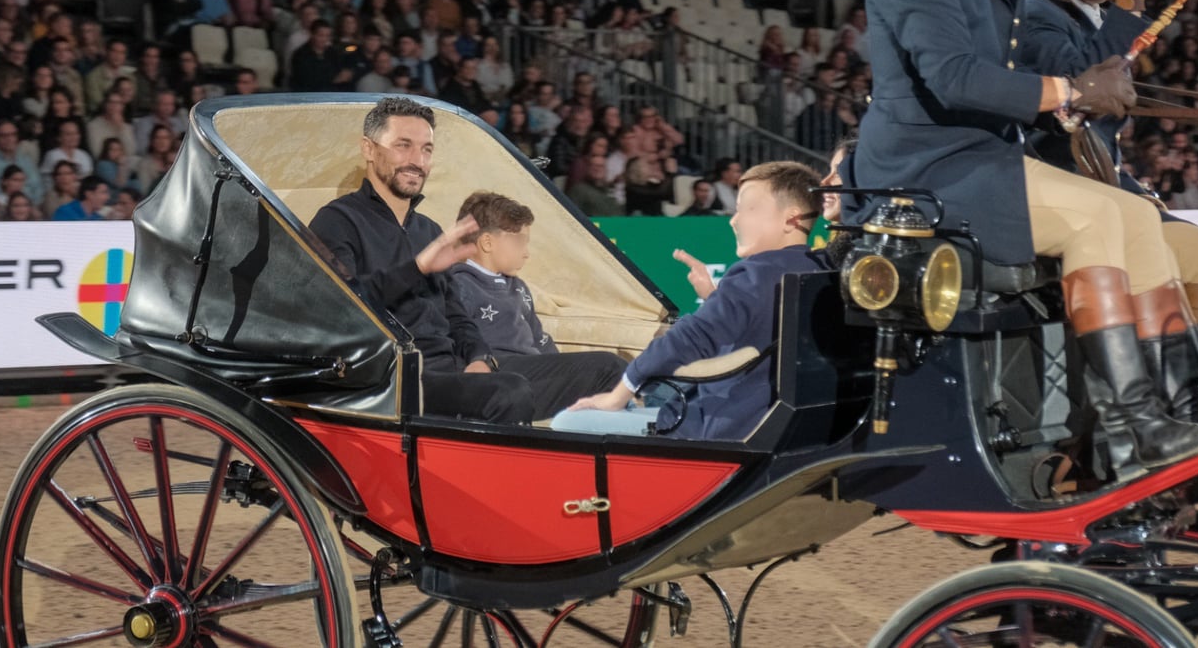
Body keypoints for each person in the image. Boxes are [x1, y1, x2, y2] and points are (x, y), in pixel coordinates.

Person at [842, 0, 1198, 476]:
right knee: (1098, 214)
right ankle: (1129, 429)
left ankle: (1174, 408)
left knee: (1132, 211)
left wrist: (1060, 104)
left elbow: (1005, 74)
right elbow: (953, 77)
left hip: (983, 154)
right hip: (927, 165)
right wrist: (1069, 90)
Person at [1017, 0, 1198, 421]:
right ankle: (1157, 411)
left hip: (1109, 187)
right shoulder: (1035, 18)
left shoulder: (1092, 19)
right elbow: (1085, 90)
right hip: (1062, 194)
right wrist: (1130, 12)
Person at [309, 97, 625, 424]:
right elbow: (342, 312)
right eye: (403, 145)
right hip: (397, 379)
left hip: (456, 370)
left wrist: (479, 357)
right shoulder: (336, 221)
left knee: (610, 369)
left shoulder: (429, 229)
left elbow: (457, 316)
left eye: (426, 149)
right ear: (369, 149)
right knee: (508, 392)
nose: (416, 160)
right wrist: (416, 269)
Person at [552, 162, 830, 439]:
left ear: (791, 219)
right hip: (769, 417)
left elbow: (692, 338)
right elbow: (759, 324)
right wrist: (713, 296)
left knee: (568, 421)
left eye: (750, 209)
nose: (734, 220)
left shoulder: (755, 273)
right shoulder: (819, 266)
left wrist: (619, 393)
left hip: (722, 424)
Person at [446, 191, 564, 358]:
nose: (526, 253)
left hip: (538, 369)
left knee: (603, 368)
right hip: (502, 372)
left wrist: (562, 368)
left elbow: (540, 340)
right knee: (608, 364)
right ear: (487, 243)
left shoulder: (519, 288)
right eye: (519, 242)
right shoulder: (459, 286)